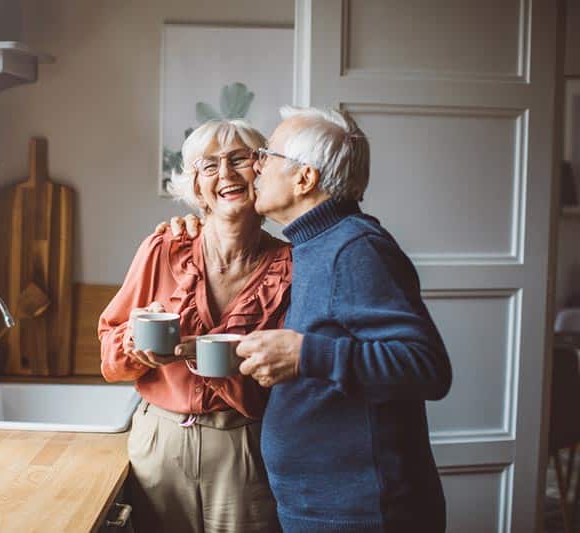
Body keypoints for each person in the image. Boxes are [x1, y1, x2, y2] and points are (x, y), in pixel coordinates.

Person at [161, 107, 452, 532]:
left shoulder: (355, 248)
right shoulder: (313, 244)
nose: (256, 166)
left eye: (267, 155)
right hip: (325, 507)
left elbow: (426, 367)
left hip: (362, 513)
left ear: (304, 178)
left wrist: (304, 355)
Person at [98, 119, 291, 532]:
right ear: (196, 188)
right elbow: (109, 351)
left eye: (239, 159)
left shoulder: (291, 267)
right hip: (160, 441)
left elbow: (294, 376)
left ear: (261, 171)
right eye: (209, 166)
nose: (225, 174)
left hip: (244, 445)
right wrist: (135, 346)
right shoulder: (163, 247)